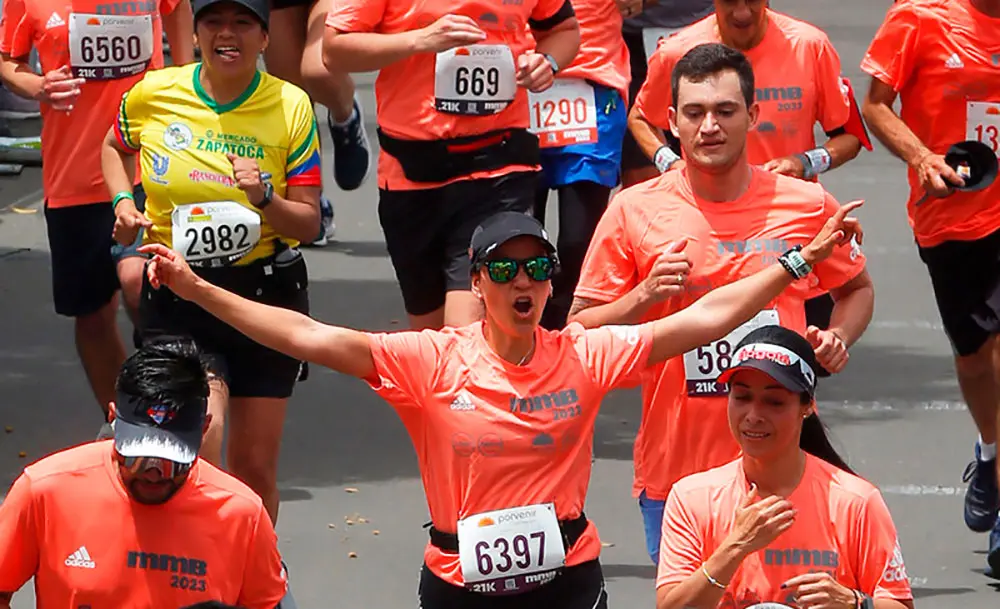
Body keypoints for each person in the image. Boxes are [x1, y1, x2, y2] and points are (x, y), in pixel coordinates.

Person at [137, 200, 861, 607]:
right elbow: (306, 333)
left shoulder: (582, 351)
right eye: (507, 268)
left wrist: (798, 261)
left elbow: (703, 318)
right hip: (460, 581)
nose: (527, 280)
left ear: (550, 283)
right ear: (478, 283)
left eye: (539, 267)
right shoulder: (429, 361)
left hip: (565, 580)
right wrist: (199, 290)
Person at [569, 43, 874, 565]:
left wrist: (838, 336)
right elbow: (579, 330)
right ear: (671, 122)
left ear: (753, 116)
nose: (710, 126)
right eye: (695, 113)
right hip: (676, 472)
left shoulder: (805, 205)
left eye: (726, 111)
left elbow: (856, 288)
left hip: (783, 460)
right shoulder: (633, 210)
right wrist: (644, 296)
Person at [100, 0, 322, 526]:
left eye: (243, 23)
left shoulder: (290, 105)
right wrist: (123, 204)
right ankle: (193, 572)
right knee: (203, 438)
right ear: (195, 33)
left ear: (265, 37)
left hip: (264, 298)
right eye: (213, 22)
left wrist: (266, 198)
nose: (228, 34)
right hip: (177, 292)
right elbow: (114, 144)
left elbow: (308, 224)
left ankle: (256, 574)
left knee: (253, 469)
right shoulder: (155, 93)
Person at [323, 0, 581, 330]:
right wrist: (419, 39)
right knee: (430, 342)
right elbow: (334, 50)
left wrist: (547, 62)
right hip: (411, 175)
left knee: (467, 334)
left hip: (500, 167)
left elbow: (564, 30)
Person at [0, 0, 194, 435]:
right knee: (90, 314)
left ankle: (176, 402)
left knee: (137, 281)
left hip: (147, 163)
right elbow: (7, 60)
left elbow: (178, 7)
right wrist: (36, 87)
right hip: (72, 173)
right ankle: (127, 424)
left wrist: (184, 74)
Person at [627, 0, 872, 339]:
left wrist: (804, 162)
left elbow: (849, 136)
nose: (742, 12)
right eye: (730, 2)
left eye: (752, 1)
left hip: (785, 228)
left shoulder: (809, 46)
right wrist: (672, 165)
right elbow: (641, 117)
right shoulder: (677, 51)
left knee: (796, 363)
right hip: (703, 230)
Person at [860, 0, 1000, 576]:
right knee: (975, 356)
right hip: (953, 215)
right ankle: (990, 450)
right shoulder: (919, 16)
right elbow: (875, 105)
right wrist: (921, 156)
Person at [0, 340, 287, 609]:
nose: (153, 473)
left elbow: (267, 603)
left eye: (172, 460)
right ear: (113, 419)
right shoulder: (45, 490)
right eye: (138, 456)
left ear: (203, 429)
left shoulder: (243, 515)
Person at [655, 325, 914, 609]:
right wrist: (736, 546)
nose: (753, 415)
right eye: (742, 397)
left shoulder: (856, 502)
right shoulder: (692, 498)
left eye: (774, 402)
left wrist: (854, 603)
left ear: (807, 406)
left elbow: (899, 603)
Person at [528, 0, 631, 330]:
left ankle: (561, 334)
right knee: (523, 241)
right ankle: (523, 338)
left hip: (594, 90)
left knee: (578, 242)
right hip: (522, 87)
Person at [618, 0, 714, 188]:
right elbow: (640, 118)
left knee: (715, 160)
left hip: (713, 29)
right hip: (630, 39)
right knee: (645, 180)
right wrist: (668, 161)